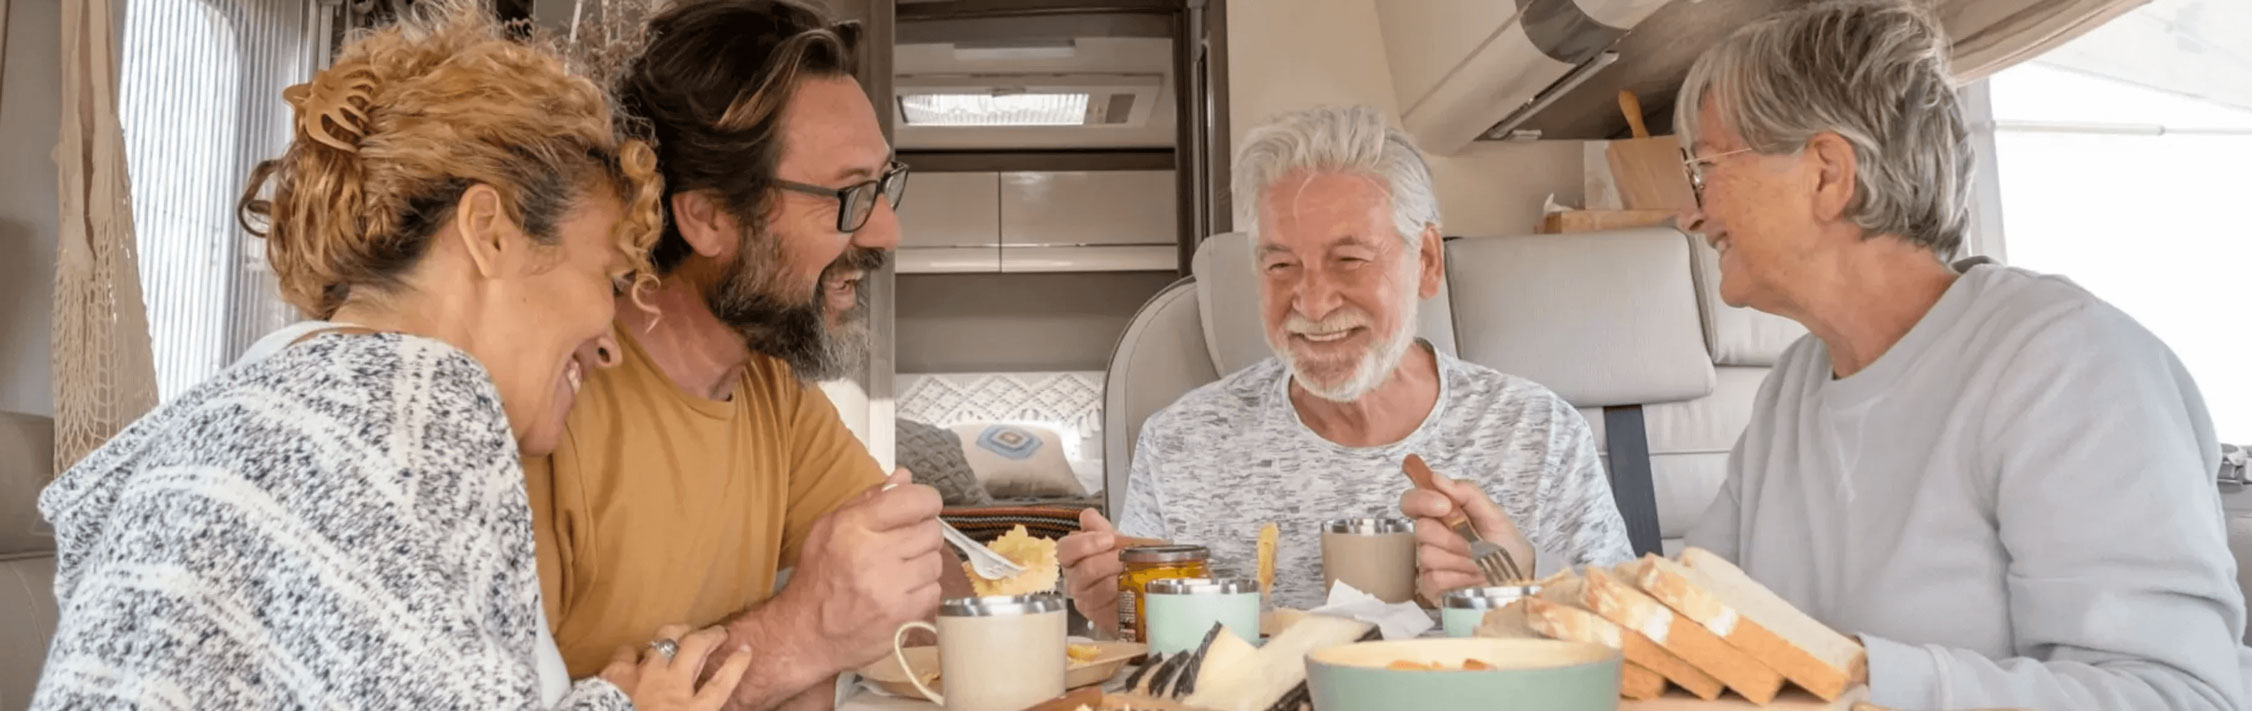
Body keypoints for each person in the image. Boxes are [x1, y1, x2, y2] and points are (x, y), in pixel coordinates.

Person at [32, 4, 745, 709]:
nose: (609, 342)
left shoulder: (249, 415)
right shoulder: (415, 409)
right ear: (489, 232)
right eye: (606, 278)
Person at [1673, 2, 2252, 710]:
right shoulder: (1792, 388)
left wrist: (1855, 678)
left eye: (1706, 168)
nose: (1692, 213)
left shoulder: (2065, 364)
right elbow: (1694, 622)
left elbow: (2175, 697)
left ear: (1827, 174)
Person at [520, 2, 962, 709]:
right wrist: (799, 635)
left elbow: (928, 589)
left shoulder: (771, 392)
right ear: (709, 217)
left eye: (883, 185)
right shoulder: (545, 405)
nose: (887, 231)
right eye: (850, 195)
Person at [1059, 105, 1637, 624]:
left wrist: (1521, 584)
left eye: (1350, 259)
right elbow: (1148, 660)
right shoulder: (1178, 444)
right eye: (1280, 266)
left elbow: (1628, 641)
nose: (1312, 304)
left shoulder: (1539, 432)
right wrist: (1119, 616)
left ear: (1427, 261)